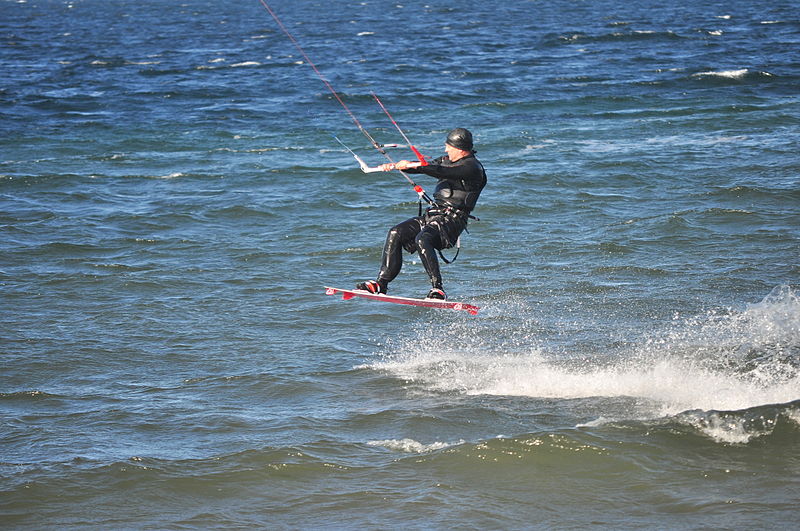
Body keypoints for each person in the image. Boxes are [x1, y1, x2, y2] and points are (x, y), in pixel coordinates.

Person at [356, 127, 487, 300]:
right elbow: (425, 167)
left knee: (422, 239)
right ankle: (381, 283)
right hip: (433, 215)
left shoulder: (472, 167)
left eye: (449, 146)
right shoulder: (446, 160)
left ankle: (437, 289)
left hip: (452, 221)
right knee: (396, 232)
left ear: (460, 148)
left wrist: (420, 167)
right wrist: (398, 166)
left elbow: (441, 172)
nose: (446, 150)